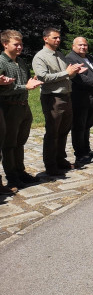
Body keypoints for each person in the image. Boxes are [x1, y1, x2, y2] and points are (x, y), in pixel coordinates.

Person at [32, 27, 87, 176]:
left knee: (63, 130)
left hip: (66, 96)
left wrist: (74, 73)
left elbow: (66, 75)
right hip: (53, 98)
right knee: (52, 132)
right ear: (45, 39)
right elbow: (43, 77)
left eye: (59, 37)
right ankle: (50, 165)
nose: (58, 40)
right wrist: (66, 73)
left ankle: (60, 159)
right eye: (55, 37)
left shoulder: (60, 55)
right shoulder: (40, 57)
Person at [0, 30, 42, 189]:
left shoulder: (21, 61)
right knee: (9, 144)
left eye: (21, 44)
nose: (20, 47)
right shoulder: (1, 62)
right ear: (5, 44)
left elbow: (24, 83)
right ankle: (11, 176)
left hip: (24, 106)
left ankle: (20, 171)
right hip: (9, 108)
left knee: (20, 142)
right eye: (16, 44)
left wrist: (31, 82)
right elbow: (3, 89)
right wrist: (26, 86)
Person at [66, 37, 93, 164]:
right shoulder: (70, 58)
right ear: (73, 46)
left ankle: (86, 149)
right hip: (80, 97)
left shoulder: (91, 58)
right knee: (79, 126)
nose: (83, 47)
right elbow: (79, 79)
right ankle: (80, 154)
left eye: (85, 45)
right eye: (80, 45)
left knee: (87, 125)